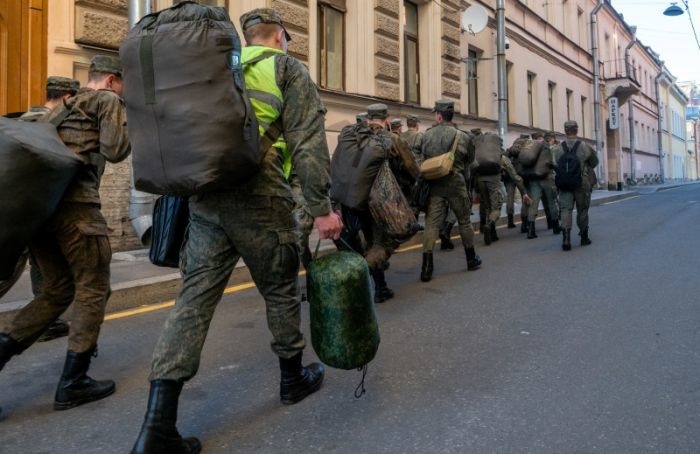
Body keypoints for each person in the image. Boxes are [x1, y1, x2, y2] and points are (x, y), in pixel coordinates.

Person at [130, 9, 343, 454]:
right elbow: (308, 144)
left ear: (244, 37)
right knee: (281, 289)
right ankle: (292, 377)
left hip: (206, 198)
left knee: (192, 302)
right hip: (261, 196)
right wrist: (321, 209)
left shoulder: (216, 65)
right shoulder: (286, 68)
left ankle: (157, 425)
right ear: (281, 36)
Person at [0, 56, 130, 412]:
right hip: (78, 213)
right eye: (124, 85)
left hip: (43, 213)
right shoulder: (107, 101)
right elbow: (116, 151)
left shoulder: (62, 107)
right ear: (112, 80)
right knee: (93, 289)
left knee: (56, 292)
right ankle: (74, 382)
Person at [334, 103, 419, 304]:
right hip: (377, 202)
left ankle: (367, 289)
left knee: (353, 245)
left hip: (347, 200)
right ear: (387, 120)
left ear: (367, 119)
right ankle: (374, 284)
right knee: (381, 242)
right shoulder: (391, 139)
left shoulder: (351, 136)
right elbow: (412, 168)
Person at [17, 76, 81, 342]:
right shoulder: (55, 125)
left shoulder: (23, 119)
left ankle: (46, 321)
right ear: (67, 97)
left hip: (21, 205)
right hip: (45, 206)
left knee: (38, 262)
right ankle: (41, 321)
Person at [419, 100, 482, 282]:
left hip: (434, 183)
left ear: (438, 115)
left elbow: (423, 157)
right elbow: (470, 160)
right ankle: (471, 259)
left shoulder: (427, 135)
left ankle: (426, 268)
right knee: (464, 221)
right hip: (456, 182)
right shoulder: (463, 136)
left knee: (431, 223)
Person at [553, 120, 599, 250]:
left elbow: (554, 163)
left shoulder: (558, 148)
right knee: (582, 209)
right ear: (576, 130)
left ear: (565, 131)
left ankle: (566, 239)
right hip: (581, 182)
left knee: (565, 209)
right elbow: (595, 162)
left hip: (564, 183)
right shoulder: (585, 146)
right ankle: (584, 237)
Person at [525, 131, 560, 239]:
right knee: (551, 202)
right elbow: (553, 163)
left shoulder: (531, 148)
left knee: (533, 204)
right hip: (547, 178)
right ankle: (555, 227)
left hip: (534, 180)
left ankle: (531, 230)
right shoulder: (546, 147)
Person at [504, 134, 530, 229]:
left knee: (510, 198)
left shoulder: (512, 148)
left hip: (509, 176)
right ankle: (524, 223)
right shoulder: (526, 148)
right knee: (525, 195)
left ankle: (510, 221)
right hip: (521, 176)